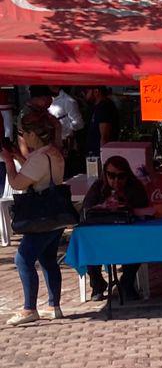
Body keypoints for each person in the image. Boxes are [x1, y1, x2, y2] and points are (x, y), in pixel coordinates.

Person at [2, 111, 69, 325]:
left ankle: (29, 308)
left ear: (32, 134)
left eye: (23, 133)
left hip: (40, 217)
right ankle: (53, 305)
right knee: (48, 260)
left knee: (22, 259)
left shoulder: (40, 157)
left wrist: (7, 162)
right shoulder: (52, 152)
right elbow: (39, 172)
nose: (22, 137)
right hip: (55, 214)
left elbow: (17, 183)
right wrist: (17, 157)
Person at [81, 155, 149, 300]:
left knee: (140, 244)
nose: (115, 180)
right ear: (105, 174)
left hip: (127, 236)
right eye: (111, 176)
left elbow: (146, 210)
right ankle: (97, 284)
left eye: (121, 176)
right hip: (100, 236)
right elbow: (86, 211)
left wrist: (127, 207)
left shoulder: (135, 187)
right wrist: (103, 208)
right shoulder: (98, 188)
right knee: (87, 245)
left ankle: (126, 283)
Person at [81, 86, 119, 157]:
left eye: (87, 91)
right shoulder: (96, 107)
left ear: (96, 91)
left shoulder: (104, 107)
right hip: (93, 153)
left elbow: (104, 136)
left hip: (99, 154)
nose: (84, 94)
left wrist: (103, 157)